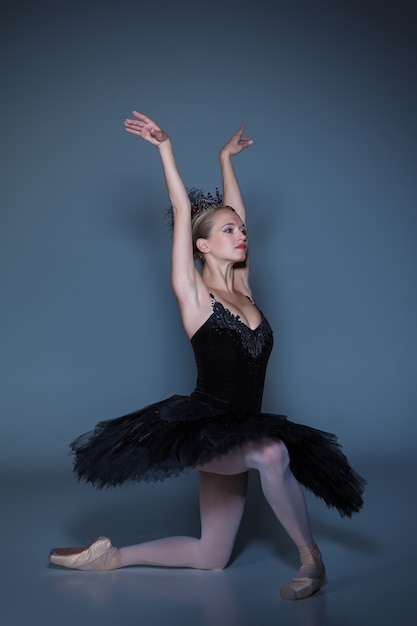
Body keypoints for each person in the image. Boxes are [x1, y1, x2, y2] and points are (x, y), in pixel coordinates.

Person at [49, 111, 365, 600]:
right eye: (228, 232)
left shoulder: (243, 287)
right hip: (203, 430)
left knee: (211, 558)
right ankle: (311, 559)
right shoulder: (194, 296)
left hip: (244, 427)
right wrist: (164, 148)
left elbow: (233, 211)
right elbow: (182, 209)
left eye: (242, 230)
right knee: (272, 453)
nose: (241, 234)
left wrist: (224, 160)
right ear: (202, 245)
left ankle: (109, 556)